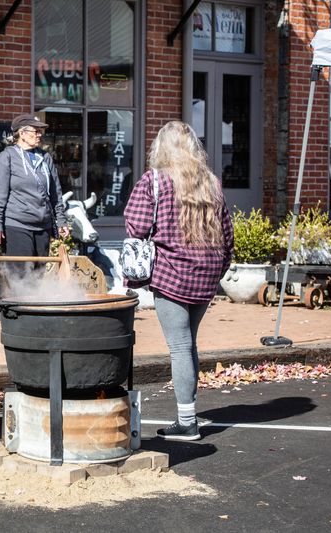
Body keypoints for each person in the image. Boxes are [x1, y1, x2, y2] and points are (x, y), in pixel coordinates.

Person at [124, 121, 233, 441]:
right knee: (189, 344)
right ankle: (188, 413)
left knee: (180, 347)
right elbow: (228, 235)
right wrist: (218, 271)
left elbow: (136, 226)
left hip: (171, 275)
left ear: (161, 148)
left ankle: (187, 422)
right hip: (206, 276)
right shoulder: (210, 182)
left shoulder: (153, 182)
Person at [0, 113, 70, 260]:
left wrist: (61, 220)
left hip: (43, 226)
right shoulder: (7, 157)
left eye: (40, 131)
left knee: (37, 277)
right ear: (22, 133)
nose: (39, 135)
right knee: (20, 276)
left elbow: (55, 192)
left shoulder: (45, 158)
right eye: (36, 131)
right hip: (17, 225)